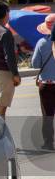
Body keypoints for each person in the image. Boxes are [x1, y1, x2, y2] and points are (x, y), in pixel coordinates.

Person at [32, 14, 55, 149]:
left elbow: (35, 64)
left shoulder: (41, 43)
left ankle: (48, 143)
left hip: (46, 84)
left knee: (47, 114)